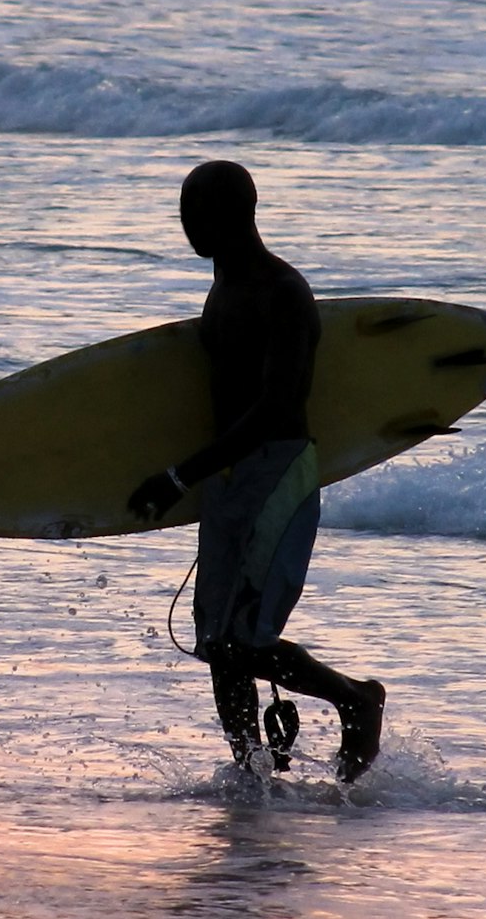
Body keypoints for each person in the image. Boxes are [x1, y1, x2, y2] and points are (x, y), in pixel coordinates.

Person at [126, 160, 386, 777]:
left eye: (199, 214)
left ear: (238, 214)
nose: (188, 226)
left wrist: (178, 476)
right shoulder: (222, 287)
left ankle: (356, 701)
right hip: (228, 479)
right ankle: (249, 771)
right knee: (217, 644)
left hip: (277, 475)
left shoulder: (281, 293)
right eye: (184, 213)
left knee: (246, 639)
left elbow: (274, 409)